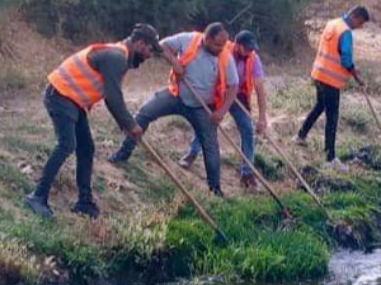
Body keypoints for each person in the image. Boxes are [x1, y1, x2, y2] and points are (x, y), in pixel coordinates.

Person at [23, 24, 162, 220]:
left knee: (86, 148)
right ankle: (37, 196)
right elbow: (113, 98)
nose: (149, 55)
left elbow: (111, 97)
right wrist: (131, 125)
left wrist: (126, 124)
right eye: (150, 49)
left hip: (72, 100)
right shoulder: (117, 57)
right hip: (61, 95)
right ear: (140, 43)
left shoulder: (119, 56)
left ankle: (84, 203)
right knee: (66, 144)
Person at [109, 23, 238, 196]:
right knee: (144, 113)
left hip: (202, 107)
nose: (221, 48)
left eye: (223, 45)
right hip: (176, 95)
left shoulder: (225, 57)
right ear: (206, 39)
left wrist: (221, 112)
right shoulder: (188, 40)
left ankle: (215, 188)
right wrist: (174, 62)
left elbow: (233, 87)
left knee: (210, 146)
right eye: (217, 45)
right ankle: (123, 154)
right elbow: (162, 45)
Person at [180, 30, 270, 190]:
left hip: (239, 96)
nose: (249, 51)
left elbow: (260, 88)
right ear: (238, 45)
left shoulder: (253, 59)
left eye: (252, 49)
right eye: (247, 48)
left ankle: (247, 173)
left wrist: (262, 117)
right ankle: (192, 153)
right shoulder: (221, 50)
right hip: (219, 93)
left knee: (247, 129)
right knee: (207, 124)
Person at [296, 6, 370, 170]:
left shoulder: (333, 24)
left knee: (320, 106)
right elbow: (346, 59)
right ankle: (330, 158)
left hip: (319, 73)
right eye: (360, 23)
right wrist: (357, 77)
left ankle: (301, 136)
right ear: (354, 16)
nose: (359, 27)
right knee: (332, 118)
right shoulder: (345, 32)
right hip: (330, 80)